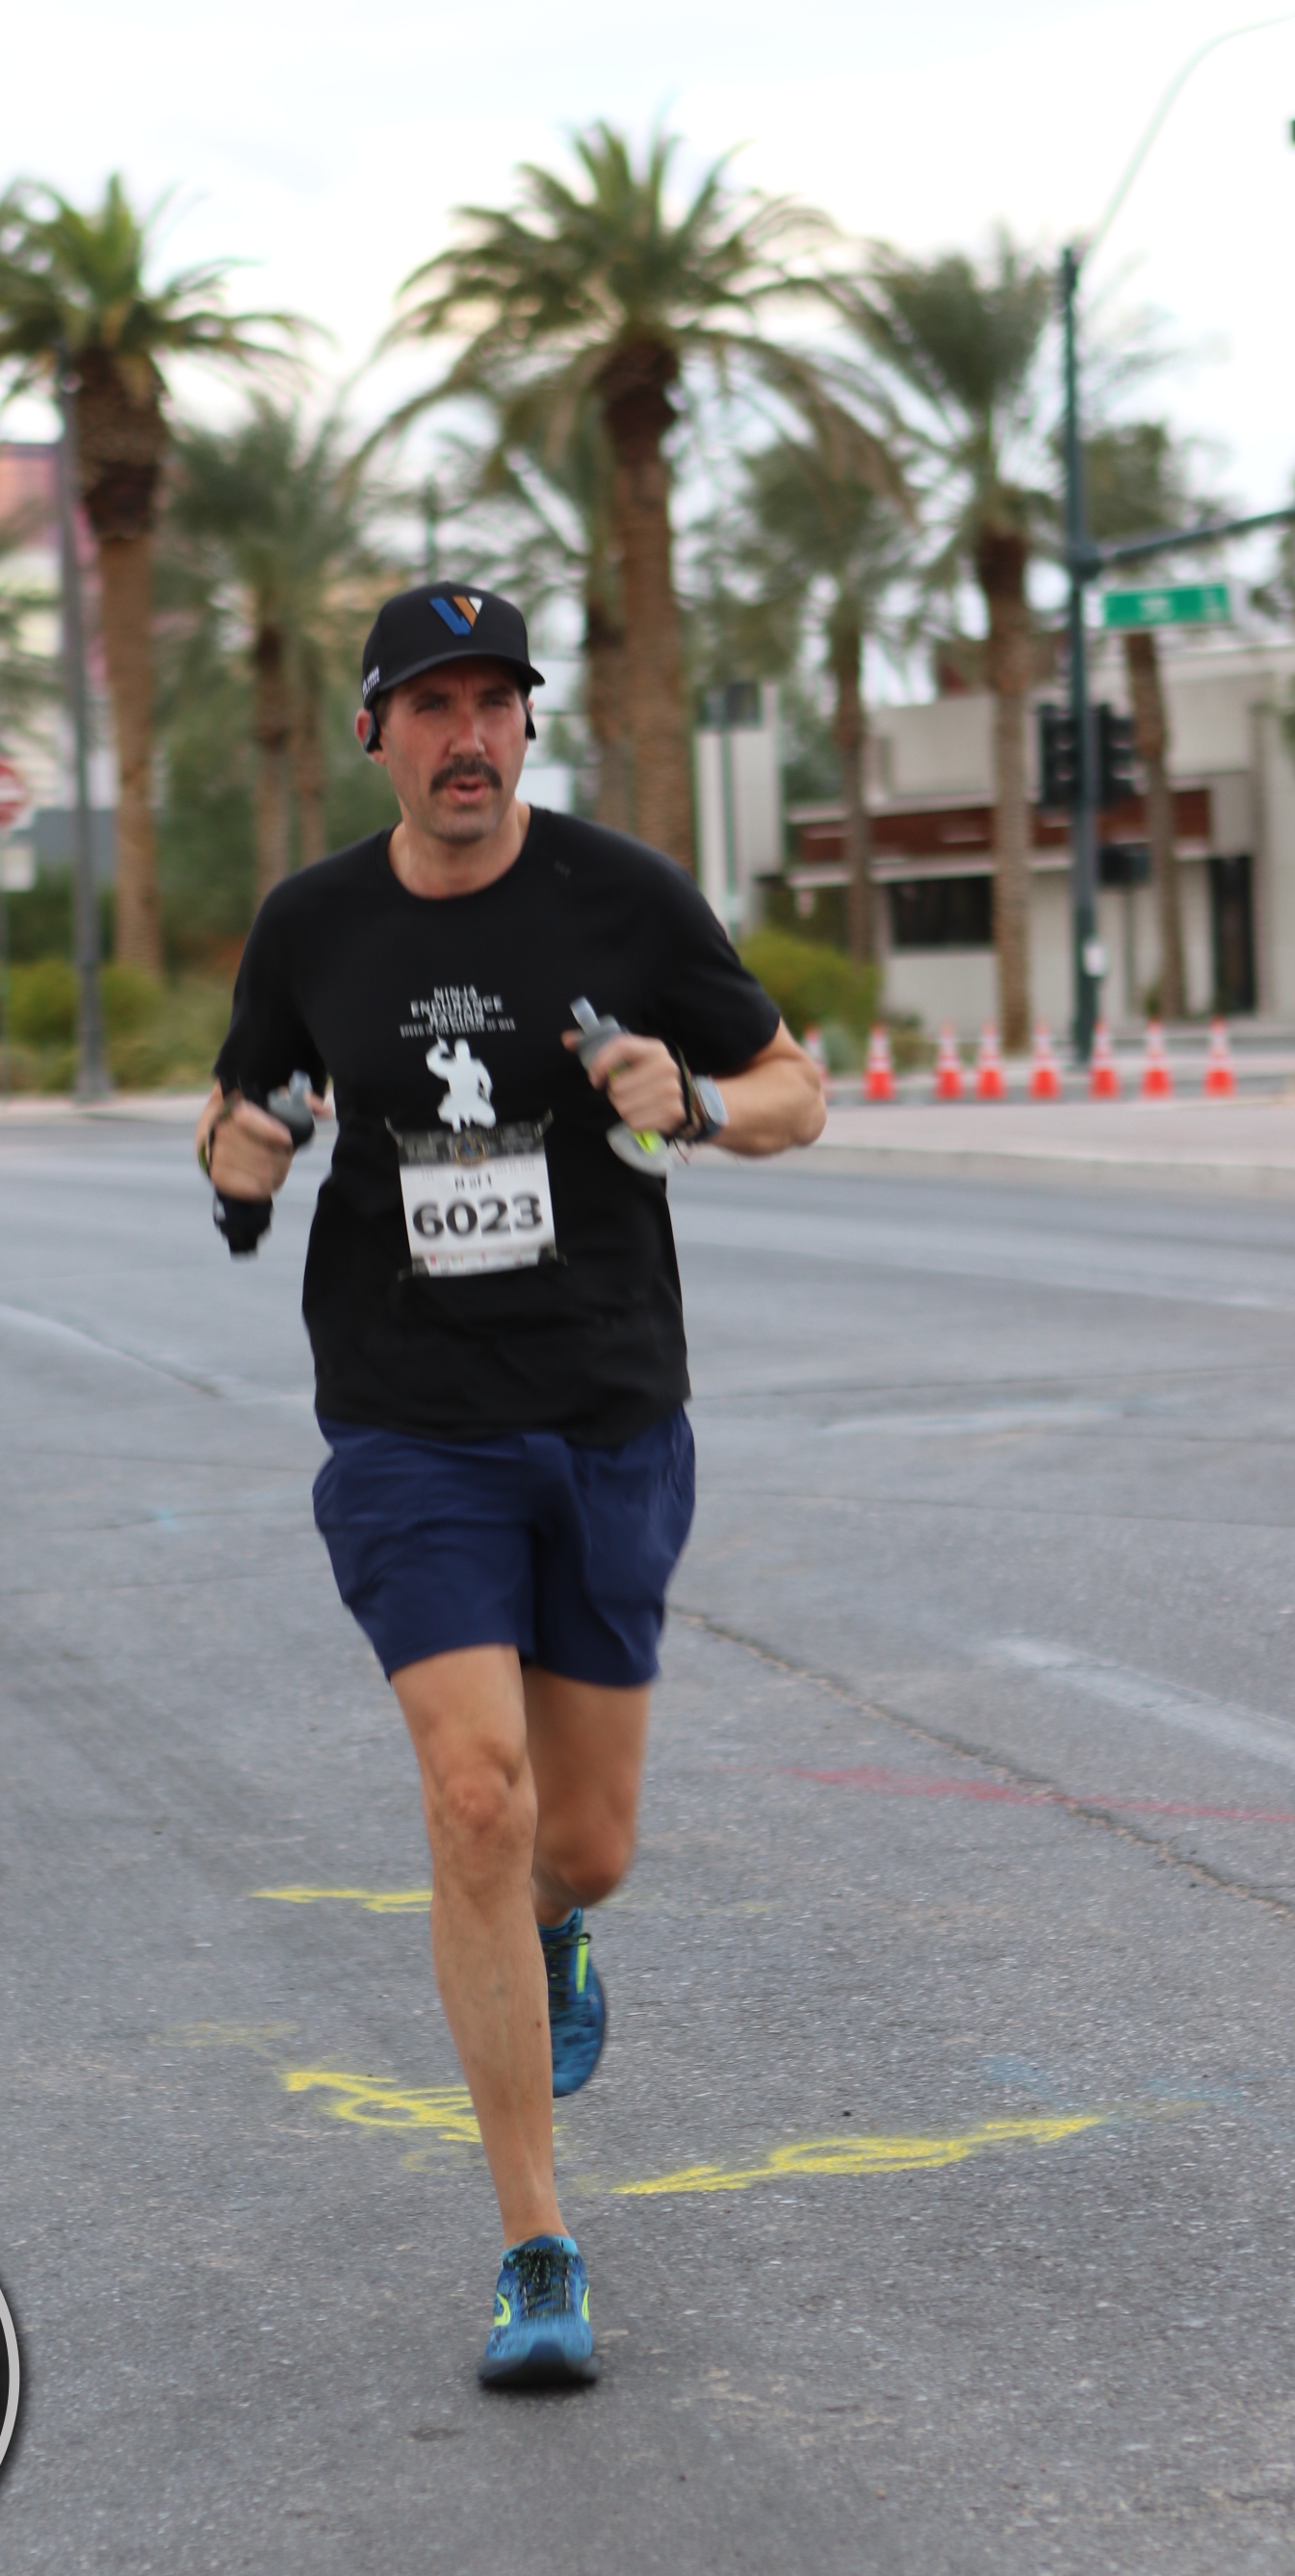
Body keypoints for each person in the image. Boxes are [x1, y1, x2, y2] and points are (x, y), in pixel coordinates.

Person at [199, 583, 825, 2388]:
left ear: (528, 728)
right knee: (474, 1796)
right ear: (375, 734)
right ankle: (533, 2246)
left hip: (607, 1406)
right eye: (432, 705)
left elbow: (794, 1090)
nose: (466, 736)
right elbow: (237, 1112)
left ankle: (560, 1929)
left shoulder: (624, 897)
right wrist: (242, 1155)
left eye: (494, 704)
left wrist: (691, 1102)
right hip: (408, 1420)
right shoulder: (312, 923)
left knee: (585, 1843)